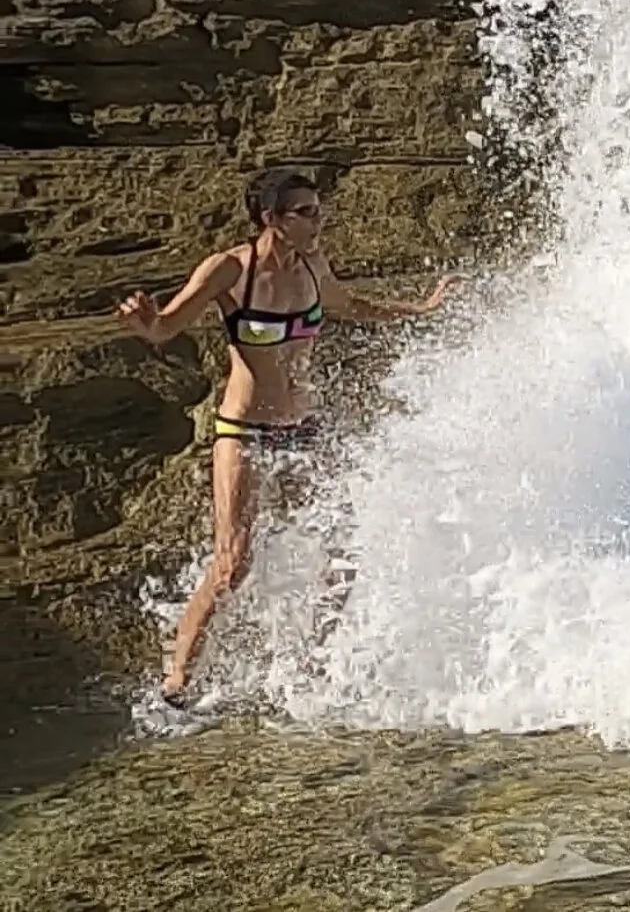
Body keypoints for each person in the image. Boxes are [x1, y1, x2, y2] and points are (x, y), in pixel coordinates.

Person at [115, 167, 460, 704]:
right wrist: (146, 322)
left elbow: (350, 307)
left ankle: (310, 660)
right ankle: (179, 679)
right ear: (269, 218)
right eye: (305, 212)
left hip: (305, 428)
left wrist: (420, 309)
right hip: (244, 429)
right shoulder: (230, 269)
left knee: (343, 555)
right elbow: (166, 328)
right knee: (234, 563)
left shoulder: (312, 264)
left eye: (319, 210)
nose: (318, 220)